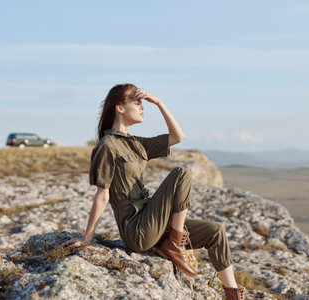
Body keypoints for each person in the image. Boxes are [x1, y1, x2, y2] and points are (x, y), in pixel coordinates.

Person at [61, 83, 245, 300]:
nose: (142, 107)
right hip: (137, 230)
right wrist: (87, 238)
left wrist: (159, 103)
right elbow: (103, 195)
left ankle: (232, 294)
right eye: (137, 103)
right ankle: (174, 243)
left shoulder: (137, 144)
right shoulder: (107, 146)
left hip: (153, 221)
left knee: (215, 231)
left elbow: (178, 137)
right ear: (120, 108)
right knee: (181, 174)